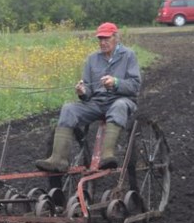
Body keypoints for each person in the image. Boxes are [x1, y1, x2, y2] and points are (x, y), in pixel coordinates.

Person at [35, 22, 141, 172]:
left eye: (106, 38)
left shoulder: (128, 55)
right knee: (69, 109)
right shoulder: (92, 59)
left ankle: (107, 156)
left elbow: (135, 85)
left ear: (116, 37)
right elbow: (88, 90)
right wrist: (82, 92)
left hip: (121, 100)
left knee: (119, 106)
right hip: (97, 103)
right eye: (100, 39)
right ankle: (58, 159)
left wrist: (116, 82)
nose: (103, 43)